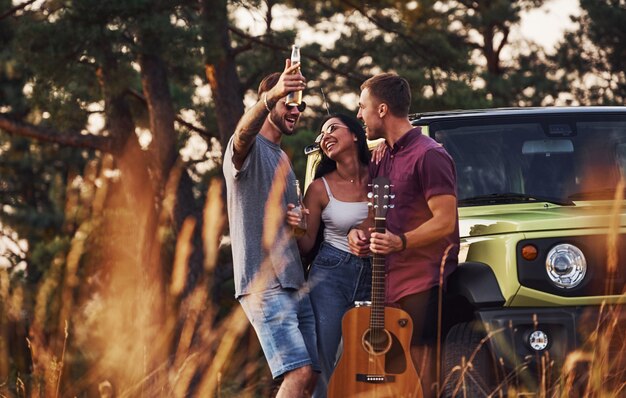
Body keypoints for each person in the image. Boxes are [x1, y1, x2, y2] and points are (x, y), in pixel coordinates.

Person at [348, 73, 460, 397]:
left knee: (422, 380)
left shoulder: (430, 154)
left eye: (362, 107)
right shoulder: (379, 155)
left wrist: (401, 242)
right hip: (388, 286)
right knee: (394, 381)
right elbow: (377, 217)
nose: (359, 115)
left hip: (423, 286)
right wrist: (361, 235)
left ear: (382, 110)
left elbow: (445, 221)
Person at [223, 60, 319, 398]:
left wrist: (301, 225)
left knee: (311, 379)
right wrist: (270, 97)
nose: (295, 109)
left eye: (299, 104)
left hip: (294, 281)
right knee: (298, 372)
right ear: (268, 100)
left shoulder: (282, 158)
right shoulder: (245, 150)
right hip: (264, 284)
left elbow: (291, 229)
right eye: (287, 102)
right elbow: (242, 133)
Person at [287, 114, 372, 397]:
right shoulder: (318, 188)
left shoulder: (381, 176)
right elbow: (307, 245)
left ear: (356, 135)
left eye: (333, 128)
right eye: (321, 134)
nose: (325, 136)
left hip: (376, 272)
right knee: (325, 357)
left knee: (367, 355)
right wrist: (297, 230)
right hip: (329, 274)